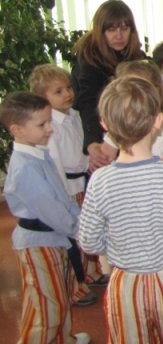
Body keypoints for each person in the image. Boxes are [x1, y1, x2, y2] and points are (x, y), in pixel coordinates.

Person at [78, 76, 163, 342]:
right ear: (158, 121)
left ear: (105, 125)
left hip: (126, 283)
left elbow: (88, 241)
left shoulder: (100, 180)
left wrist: (115, 244)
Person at [0, 92, 91, 344]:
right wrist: (79, 230)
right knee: (47, 305)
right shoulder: (25, 168)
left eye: (50, 121)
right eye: (42, 124)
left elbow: (61, 197)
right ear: (16, 129)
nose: (50, 128)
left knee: (59, 296)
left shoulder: (38, 154)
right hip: (39, 244)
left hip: (54, 239)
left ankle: (63, 339)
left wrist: (80, 220)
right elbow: (52, 211)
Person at [29, 64, 109, 307]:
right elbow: (55, 163)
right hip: (68, 188)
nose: (67, 94)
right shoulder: (49, 126)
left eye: (68, 88)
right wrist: (63, 196)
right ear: (42, 97)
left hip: (83, 182)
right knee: (72, 237)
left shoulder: (74, 115)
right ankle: (76, 286)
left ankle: (91, 271)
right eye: (58, 91)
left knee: (87, 229)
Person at [71, 0, 146, 171]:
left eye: (124, 28)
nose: (119, 35)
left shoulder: (137, 56)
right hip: (99, 131)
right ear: (100, 31)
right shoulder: (88, 59)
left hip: (132, 131)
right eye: (111, 29)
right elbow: (87, 103)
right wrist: (92, 143)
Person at [100, 60, 163, 169]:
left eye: (141, 89)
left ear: (155, 92)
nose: (135, 97)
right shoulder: (118, 127)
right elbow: (103, 160)